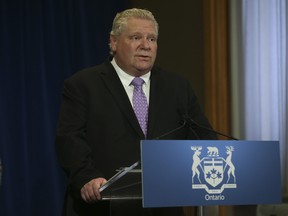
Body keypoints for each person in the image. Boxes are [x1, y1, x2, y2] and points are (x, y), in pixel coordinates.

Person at [55, 8, 216, 216]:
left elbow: (204, 137)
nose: (145, 46)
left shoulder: (177, 87)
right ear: (113, 42)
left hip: (163, 208)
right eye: (136, 37)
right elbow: (69, 140)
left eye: (152, 39)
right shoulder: (83, 85)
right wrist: (87, 178)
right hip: (102, 207)